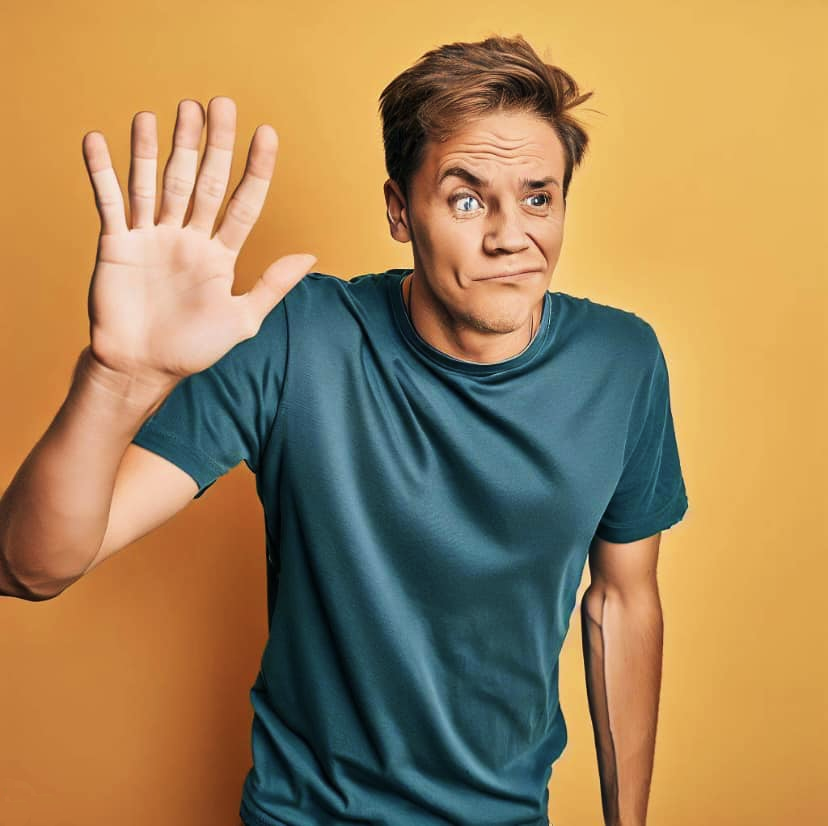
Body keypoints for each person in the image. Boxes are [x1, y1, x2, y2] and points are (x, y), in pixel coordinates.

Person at [0, 34, 689, 826]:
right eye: (466, 200)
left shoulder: (621, 362)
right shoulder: (296, 338)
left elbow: (622, 603)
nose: (509, 236)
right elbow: (30, 568)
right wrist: (115, 380)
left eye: (538, 199)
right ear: (399, 209)